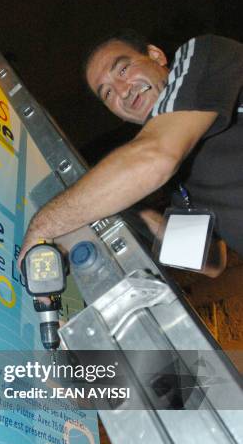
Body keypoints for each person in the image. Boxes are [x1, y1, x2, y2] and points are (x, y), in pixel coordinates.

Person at [18, 30, 243, 277]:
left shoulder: (203, 54)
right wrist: (132, 212)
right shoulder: (178, 179)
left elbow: (154, 155)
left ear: (156, 56)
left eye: (123, 69)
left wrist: (43, 225)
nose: (123, 91)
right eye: (108, 93)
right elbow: (211, 261)